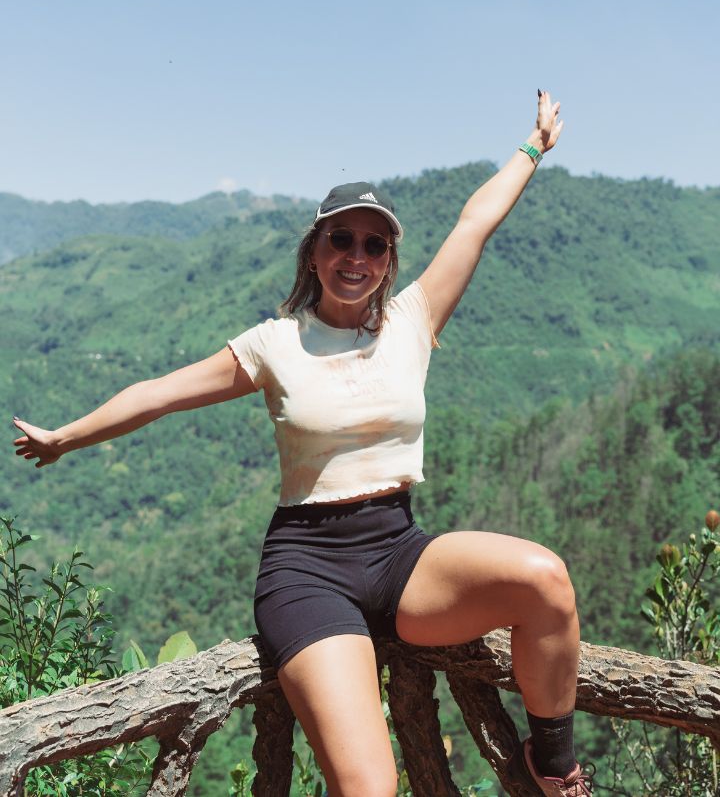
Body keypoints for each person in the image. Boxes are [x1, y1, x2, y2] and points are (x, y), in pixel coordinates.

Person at [13, 90, 593, 797]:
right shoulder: (274, 343)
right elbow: (160, 392)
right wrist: (65, 438)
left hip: (399, 553)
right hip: (308, 570)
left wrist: (533, 147)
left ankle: (551, 764)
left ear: (388, 260)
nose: (357, 255)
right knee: (371, 789)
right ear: (314, 252)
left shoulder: (413, 321)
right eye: (340, 239)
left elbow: (476, 221)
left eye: (374, 244)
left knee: (544, 580)